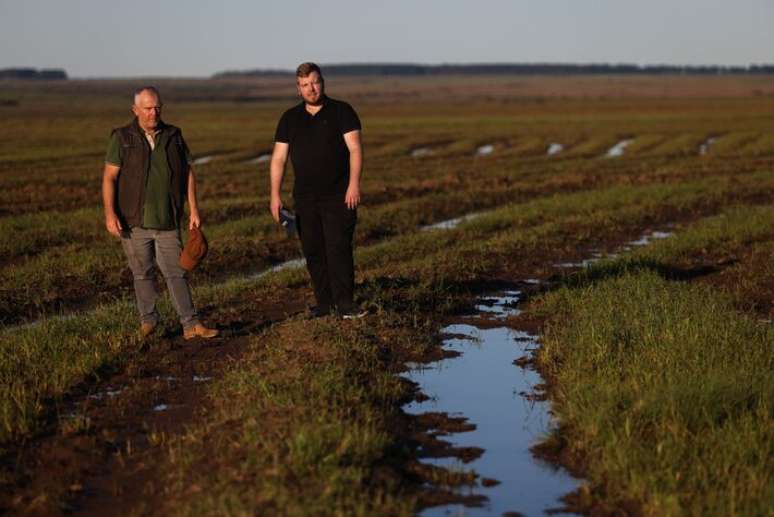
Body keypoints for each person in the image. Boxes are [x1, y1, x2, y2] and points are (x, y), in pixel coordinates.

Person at [102, 86, 219, 339]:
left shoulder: (173, 135)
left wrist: (194, 209)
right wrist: (110, 214)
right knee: (142, 273)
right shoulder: (122, 138)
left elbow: (188, 173)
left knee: (177, 273)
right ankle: (149, 322)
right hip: (133, 221)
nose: (153, 113)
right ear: (135, 110)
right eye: (147, 108)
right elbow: (109, 177)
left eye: (157, 108)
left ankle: (191, 325)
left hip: (168, 220)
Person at [270, 63, 366, 319]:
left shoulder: (342, 111)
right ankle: (325, 305)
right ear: (298, 89)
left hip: (339, 195)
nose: (311, 89)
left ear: (322, 82)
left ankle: (346, 305)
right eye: (305, 85)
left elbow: (355, 149)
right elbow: (278, 159)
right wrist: (274, 195)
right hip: (304, 197)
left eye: (314, 82)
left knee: (338, 248)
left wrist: (354, 184)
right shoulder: (289, 118)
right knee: (313, 251)